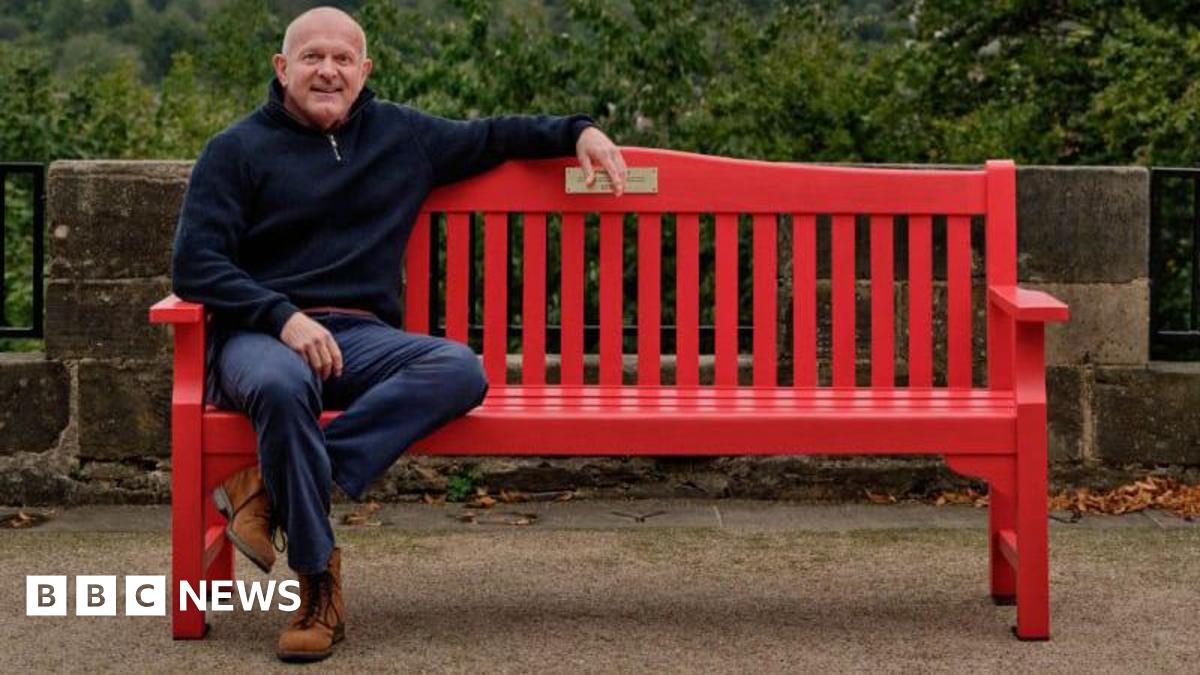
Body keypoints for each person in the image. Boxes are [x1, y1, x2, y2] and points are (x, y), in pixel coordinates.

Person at [170, 6, 627, 663]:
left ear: (364, 71)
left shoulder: (401, 136)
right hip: (259, 336)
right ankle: (320, 585)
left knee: (458, 369)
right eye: (312, 57)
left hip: (359, 337)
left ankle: (271, 489)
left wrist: (578, 130)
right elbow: (194, 265)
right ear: (282, 68)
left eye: (342, 59)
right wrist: (281, 316)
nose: (328, 70)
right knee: (284, 380)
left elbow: (496, 136)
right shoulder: (235, 150)